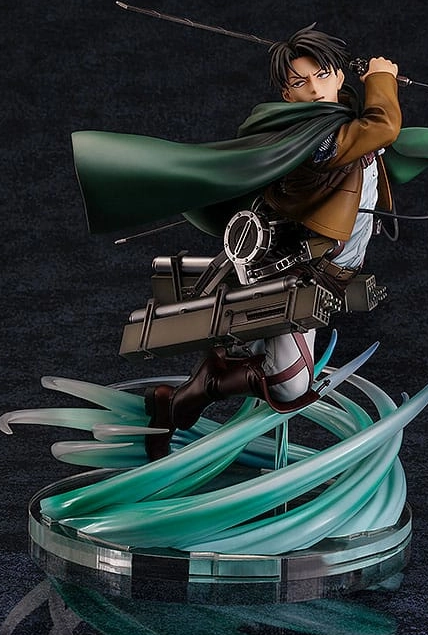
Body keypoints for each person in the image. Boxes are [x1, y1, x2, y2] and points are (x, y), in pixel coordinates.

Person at [143, 25, 402, 459]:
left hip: (332, 274)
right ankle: (185, 397)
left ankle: (193, 389)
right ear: (287, 95)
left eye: (323, 74)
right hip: (298, 274)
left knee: (264, 358)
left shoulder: (346, 124)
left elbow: (376, 137)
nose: (315, 89)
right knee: (290, 384)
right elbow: (385, 125)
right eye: (301, 82)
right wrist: (381, 77)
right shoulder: (319, 141)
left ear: (340, 76)